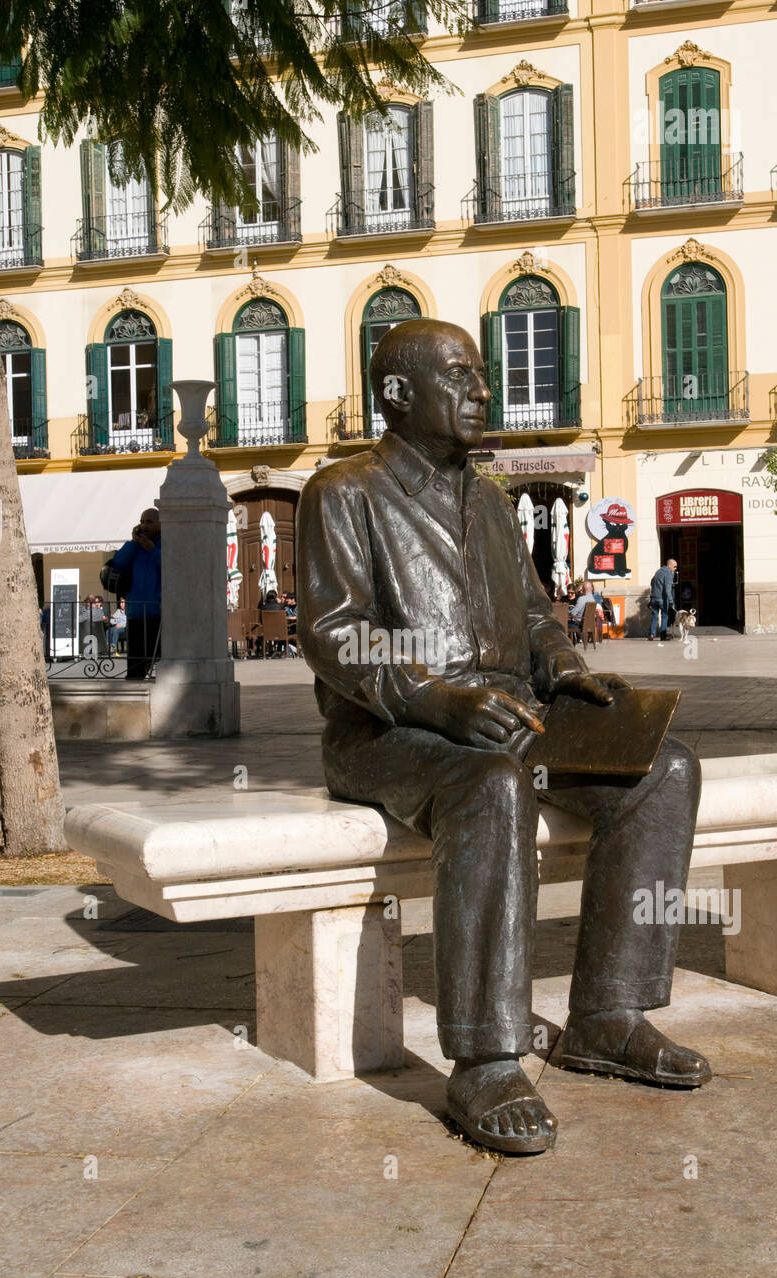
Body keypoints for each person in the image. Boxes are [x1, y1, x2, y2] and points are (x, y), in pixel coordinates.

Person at [297, 318, 707, 1158]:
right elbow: (335, 634)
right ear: (398, 395)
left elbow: (527, 616)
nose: (483, 389)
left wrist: (566, 669)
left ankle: (607, 1013)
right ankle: (485, 1057)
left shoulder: (487, 497)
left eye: (482, 374)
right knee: (488, 786)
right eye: (460, 376)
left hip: (513, 715)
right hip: (387, 732)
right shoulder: (343, 491)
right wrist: (433, 701)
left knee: (662, 769)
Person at [109, 508, 161, 678]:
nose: (144, 525)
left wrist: (152, 549)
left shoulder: (166, 543)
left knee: (160, 661)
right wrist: (133, 542)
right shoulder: (134, 546)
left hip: (158, 613)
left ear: (160, 523)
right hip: (136, 612)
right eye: (142, 521)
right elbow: (118, 563)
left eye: (149, 522)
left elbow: (171, 566)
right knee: (135, 667)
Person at [649, 558, 678, 642]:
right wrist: (671, 601)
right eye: (674, 566)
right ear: (669, 565)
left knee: (654, 616)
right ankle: (663, 635)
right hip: (662, 599)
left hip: (654, 598)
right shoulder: (668, 573)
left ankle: (651, 635)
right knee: (664, 616)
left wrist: (651, 598)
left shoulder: (658, 572)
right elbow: (667, 589)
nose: (675, 568)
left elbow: (652, 583)